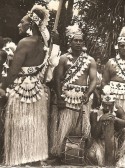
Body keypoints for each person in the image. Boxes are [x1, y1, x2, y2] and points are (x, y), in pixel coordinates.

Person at [0, 5, 59, 166]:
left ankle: (19, 159)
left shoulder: (25, 42)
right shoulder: (45, 45)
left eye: (22, 22)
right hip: (37, 91)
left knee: (19, 125)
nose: (19, 25)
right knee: (34, 126)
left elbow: (13, 72)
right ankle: (34, 160)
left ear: (31, 25)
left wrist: (3, 87)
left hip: (21, 90)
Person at [50, 25, 97, 159]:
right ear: (70, 42)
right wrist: (59, 97)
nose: (78, 43)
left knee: (80, 128)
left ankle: (78, 153)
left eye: (80, 41)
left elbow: (93, 80)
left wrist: (87, 94)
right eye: (75, 40)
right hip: (66, 96)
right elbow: (57, 79)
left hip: (82, 98)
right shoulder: (64, 59)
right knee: (63, 126)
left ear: (83, 43)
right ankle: (59, 152)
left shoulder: (90, 60)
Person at [86, 85, 125, 166]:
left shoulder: (118, 109)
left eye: (109, 105)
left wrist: (116, 119)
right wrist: (100, 121)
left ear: (113, 103)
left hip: (116, 141)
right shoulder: (94, 113)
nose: (107, 107)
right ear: (102, 103)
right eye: (105, 105)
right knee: (91, 155)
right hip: (100, 142)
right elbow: (94, 135)